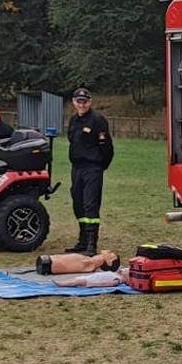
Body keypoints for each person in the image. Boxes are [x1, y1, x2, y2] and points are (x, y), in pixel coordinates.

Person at [65, 87, 114, 255]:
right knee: (78, 204)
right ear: (73, 102)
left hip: (92, 167)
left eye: (85, 101)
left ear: (90, 102)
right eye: (79, 101)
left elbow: (107, 147)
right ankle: (82, 240)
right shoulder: (73, 120)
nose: (82, 104)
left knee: (90, 205)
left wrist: (100, 166)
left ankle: (92, 244)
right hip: (76, 168)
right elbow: (72, 140)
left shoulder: (97, 120)